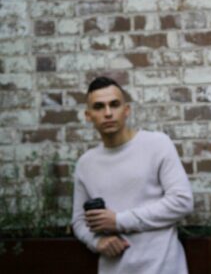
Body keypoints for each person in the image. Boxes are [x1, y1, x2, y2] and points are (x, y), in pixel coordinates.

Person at [71, 76, 194, 274]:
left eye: (114, 104)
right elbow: (78, 221)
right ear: (88, 115)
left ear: (126, 110)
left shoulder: (157, 144)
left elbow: (182, 202)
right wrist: (96, 241)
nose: (108, 113)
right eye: (99, 107)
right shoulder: (86, 163)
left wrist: (119, 221)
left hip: (163, 267)